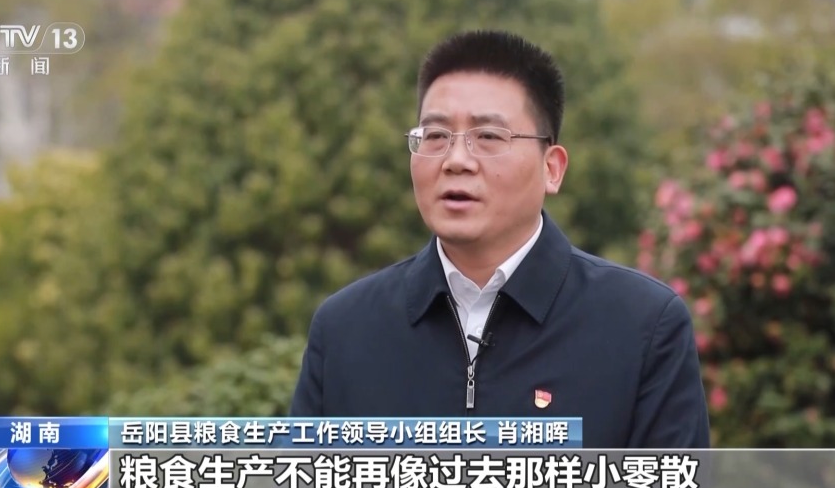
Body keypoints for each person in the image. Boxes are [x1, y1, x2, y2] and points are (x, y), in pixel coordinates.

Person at [289, 29, 710, 448]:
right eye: (435, 136)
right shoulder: (345, 330)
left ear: (552, 168)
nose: (456, 161)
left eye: (488, 137)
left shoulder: (643, 326)